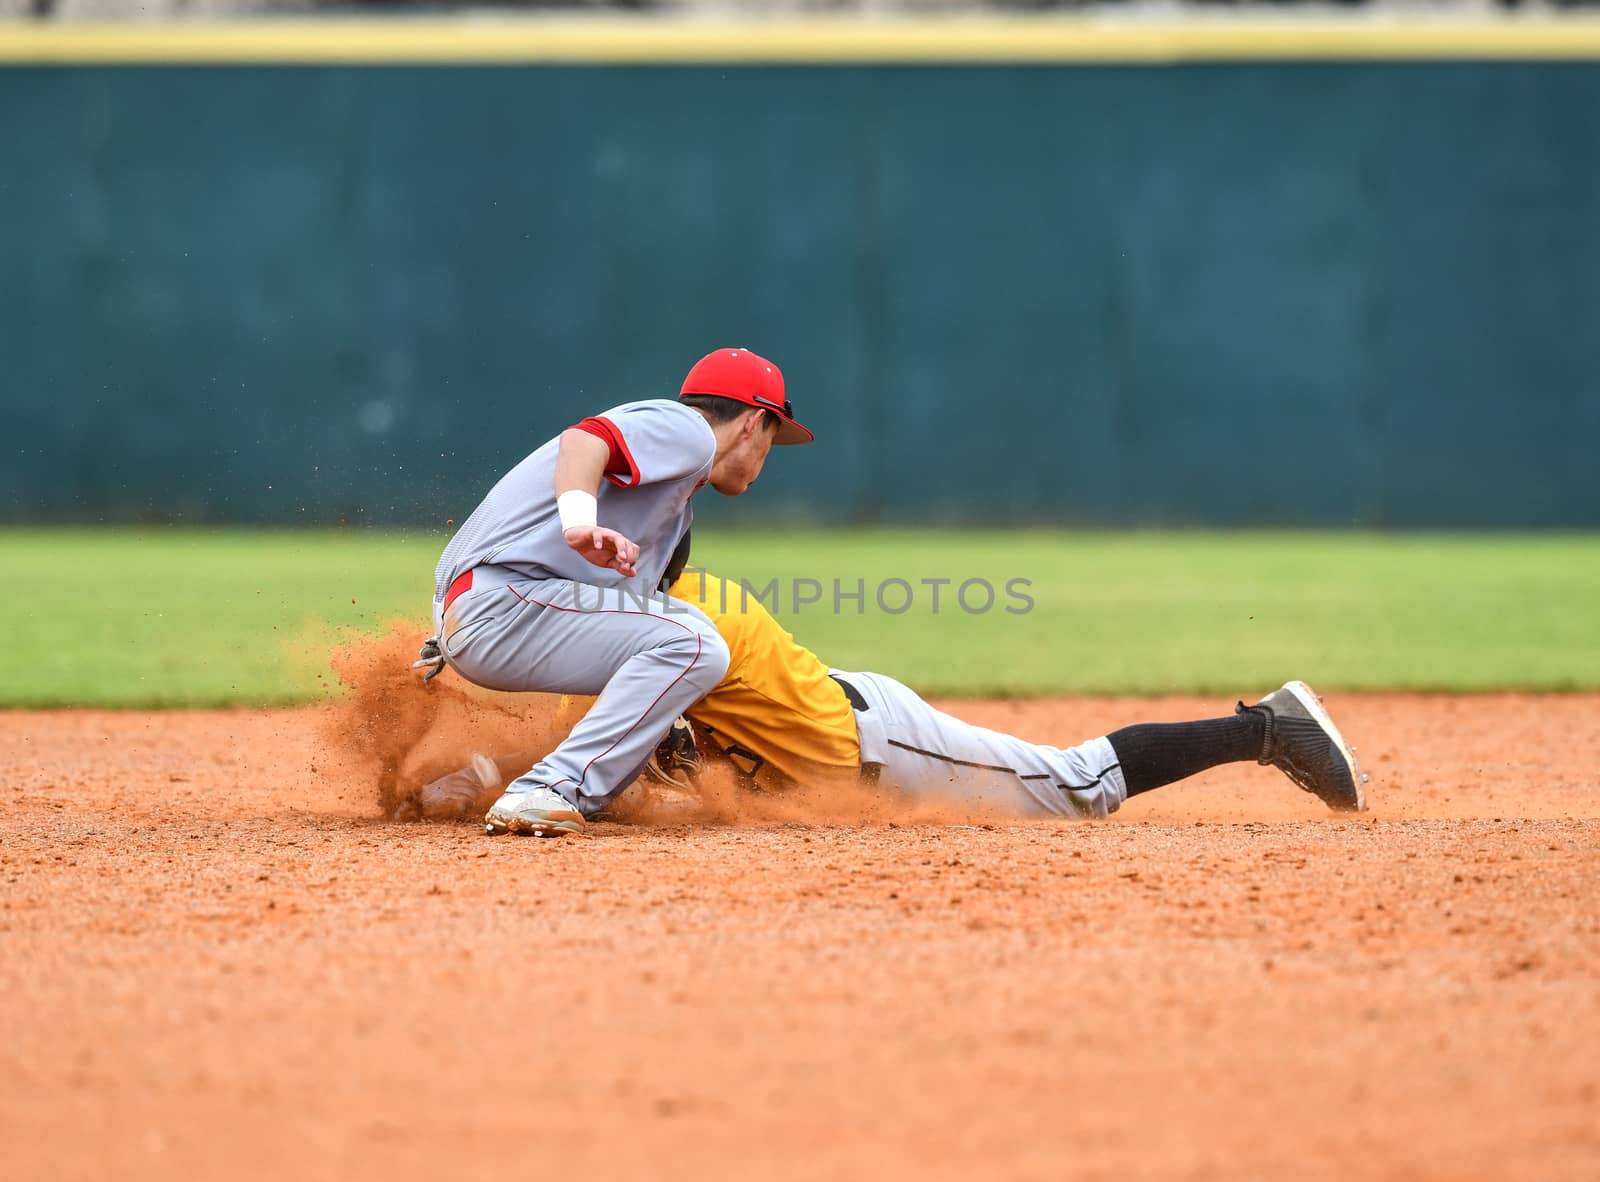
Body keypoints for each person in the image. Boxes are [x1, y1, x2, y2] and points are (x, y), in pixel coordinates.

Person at [414, 567, 1369, 827]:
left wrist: (488, 779)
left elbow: (602, 745)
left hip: (886, 747)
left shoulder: (688, 626)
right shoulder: (648, 626)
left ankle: (1267, 729)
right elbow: (601, 740)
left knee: (1079, 787)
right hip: (836, 733)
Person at [414, 348, 813, 836]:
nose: (766, 459)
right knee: (696, 643)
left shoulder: (666, 508)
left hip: (493, 610)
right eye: (774, 437)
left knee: (676, 653)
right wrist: (579, 523)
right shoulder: (689, 431)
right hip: (502, 606)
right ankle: (551, 787)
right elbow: (584, 440)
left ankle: (475, 780)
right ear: (754, 422)